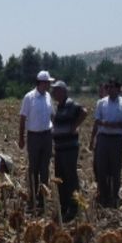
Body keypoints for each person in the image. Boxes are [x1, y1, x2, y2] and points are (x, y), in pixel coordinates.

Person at [89, 79, 122, 208]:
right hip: (103, 138)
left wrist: (116, 125)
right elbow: (97, 119)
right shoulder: (101, 103)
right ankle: (103, 195)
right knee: (101, 167)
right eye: (108, 87)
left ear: (118, 89)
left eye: (113, 87)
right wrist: (104, 124)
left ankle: (114, 196)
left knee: (115, 168)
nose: (110, 89)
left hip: (116, 139)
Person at [50, 81, 87, 222]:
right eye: (53, 91)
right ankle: (64, 206)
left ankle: (74, 207)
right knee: (61, 178)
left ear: (64, 92)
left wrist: (74, 126)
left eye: (56, 90)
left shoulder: (71, 104)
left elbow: (84, 112)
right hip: (59, 148)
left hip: (69, 148)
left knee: (70, 178)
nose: (54, 93)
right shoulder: (58, 107)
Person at [19, 71, 55, 210]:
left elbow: (52, 115)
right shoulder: (29, 97)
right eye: (47, 82)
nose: (49, 85)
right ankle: (33, 197)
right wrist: (21, 138)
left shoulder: (48, 97)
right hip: (33, 136)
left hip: (47, 135)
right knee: (33, 168)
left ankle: (43, 197)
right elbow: (22, 118)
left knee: (44, 168)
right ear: (41, 82)